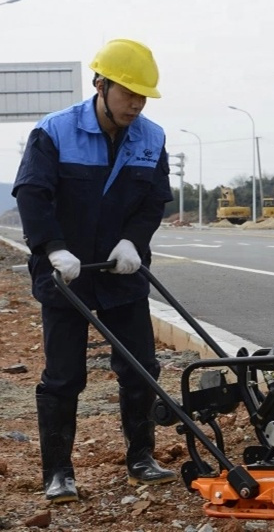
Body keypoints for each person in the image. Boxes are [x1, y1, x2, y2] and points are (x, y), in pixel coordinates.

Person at [12, 39, 176, 503]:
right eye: (128, 92)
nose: (136, 103)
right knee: (64, 376)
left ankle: (141, 458)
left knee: (142, 366)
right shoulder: (55, 131)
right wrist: (53, 248)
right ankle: (58, 473)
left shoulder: (152, 137)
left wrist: (134, 242)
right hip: (65, 271)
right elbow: (32, 194)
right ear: (100, 85)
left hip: (121, 269)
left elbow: (152, 201)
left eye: (143, 95)